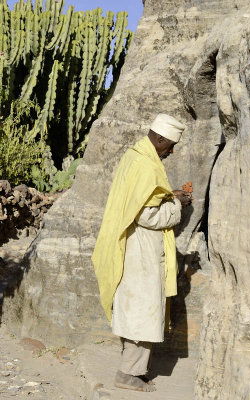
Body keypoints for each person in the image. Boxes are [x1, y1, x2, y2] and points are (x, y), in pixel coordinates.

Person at [92, 114, 191, 392]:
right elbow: (147, 215)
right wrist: (176, 206)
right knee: (144, 311)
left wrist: (168, 196)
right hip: (144, 249)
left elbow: (142, 198)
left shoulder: (134, 156)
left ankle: (131, 368)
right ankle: (128, 374)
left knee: (135, 309)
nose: (170, 151)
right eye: (169, 145)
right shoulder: (147, 165)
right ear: (159, 138)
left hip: (132, 247)